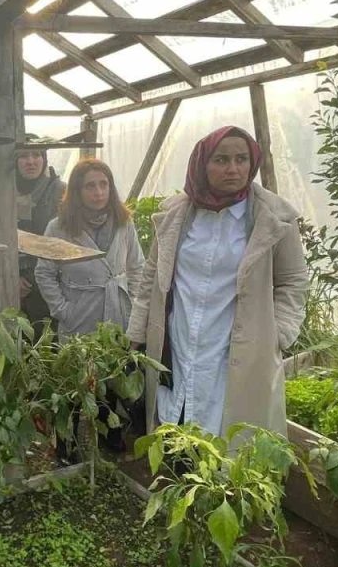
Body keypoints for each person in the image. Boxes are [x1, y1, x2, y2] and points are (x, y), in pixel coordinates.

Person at [128, 126, 307, 439]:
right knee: (176, 423)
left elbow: (292, 281)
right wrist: (137, 334)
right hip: (180, 338)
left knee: (231, 435)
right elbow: (151, 278)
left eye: (241, 159)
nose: (233, 168)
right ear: (202, 164)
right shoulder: (176, 216)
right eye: (221, 159)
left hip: (235, 346)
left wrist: (277, 333)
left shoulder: (273, 219)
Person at [35, 158, 144, 340]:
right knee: (79, 364)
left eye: (104, 184)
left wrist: (133, 305)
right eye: (90, 186)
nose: (99, 192)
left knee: (118, 365)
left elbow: (137, 267)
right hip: (80, 320)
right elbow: (44, 273)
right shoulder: (59, 228)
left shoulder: (123, 223)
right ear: (77, 191)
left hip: (120, 316)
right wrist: (64, 311)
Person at [16, 139, 65, 332]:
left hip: (54, 282)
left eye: (37, 155)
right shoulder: (3, 191)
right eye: (23, 156)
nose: (31, 161)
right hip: (17, 280)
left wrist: (33, 280)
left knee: (49, 341)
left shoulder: (61, 191)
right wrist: (13, 276)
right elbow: (2, 237)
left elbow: (65, 243)